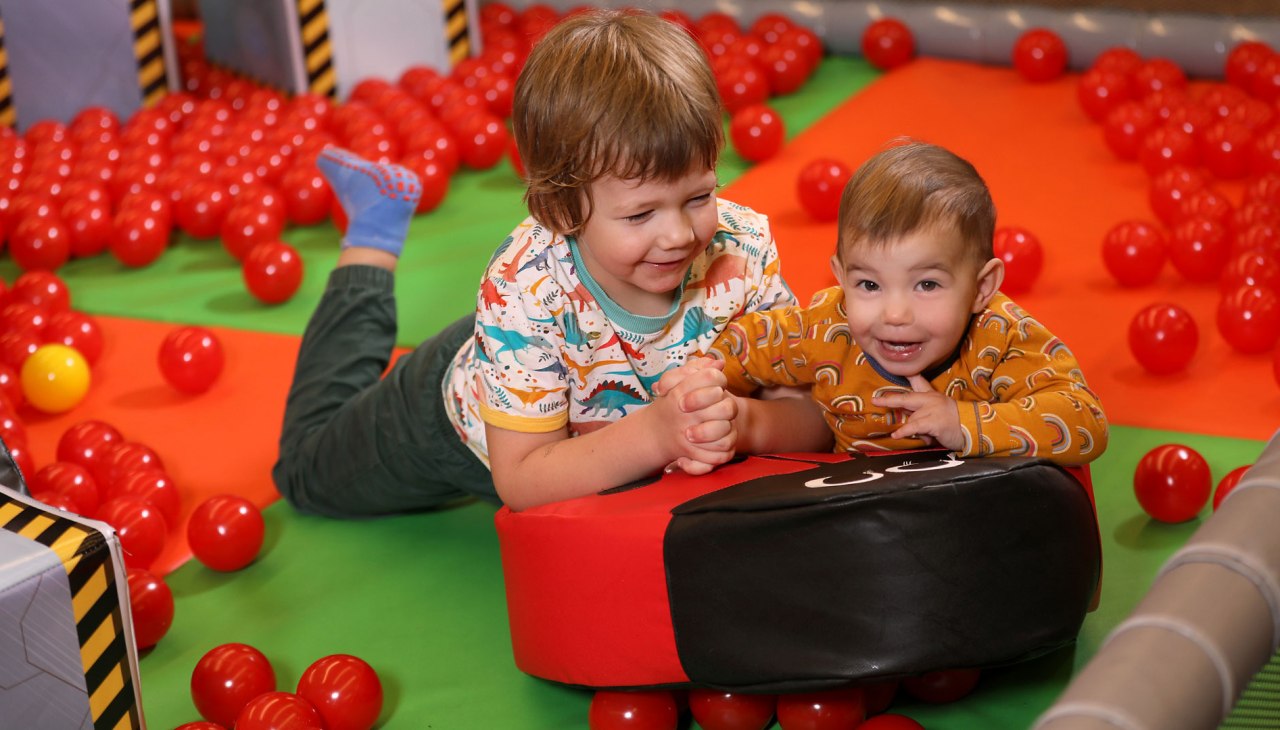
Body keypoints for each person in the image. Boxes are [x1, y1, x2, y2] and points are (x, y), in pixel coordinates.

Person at [272, 9, 831, 517]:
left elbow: (812, 415)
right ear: (561, 210)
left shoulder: (742, 249)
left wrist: (747, 424)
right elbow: (522, 479)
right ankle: (372, 234)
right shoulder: (520, 291)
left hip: (554, 347)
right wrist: (658, 436)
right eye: (640, 215)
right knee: (304, 471)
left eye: (698, 196)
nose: (681, 235)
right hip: (467, 413)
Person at [703, 140, 1109, 465]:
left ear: (982, 287)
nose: (895, 315)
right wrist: (703, 380)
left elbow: (1084, 420)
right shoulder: (827, 328)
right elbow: (749, 341)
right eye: (869, 285)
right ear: (841, 277)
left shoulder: (999, 338)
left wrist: (964, 422)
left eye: (927, 285)